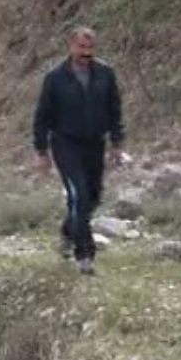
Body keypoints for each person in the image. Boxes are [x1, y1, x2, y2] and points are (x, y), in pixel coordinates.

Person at [32, 27, 125, 276]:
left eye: (90, 48)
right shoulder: (55, 78)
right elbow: (42, 116)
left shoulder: (105, 74)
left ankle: (67, 231)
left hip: (95, 143)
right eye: (81, 47)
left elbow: (114, 110)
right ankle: (85, 255)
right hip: (65, 143)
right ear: (71, 46)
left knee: (93, 197)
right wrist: (41, 151)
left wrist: (116, 142)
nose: (86, 53)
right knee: (79, 194)